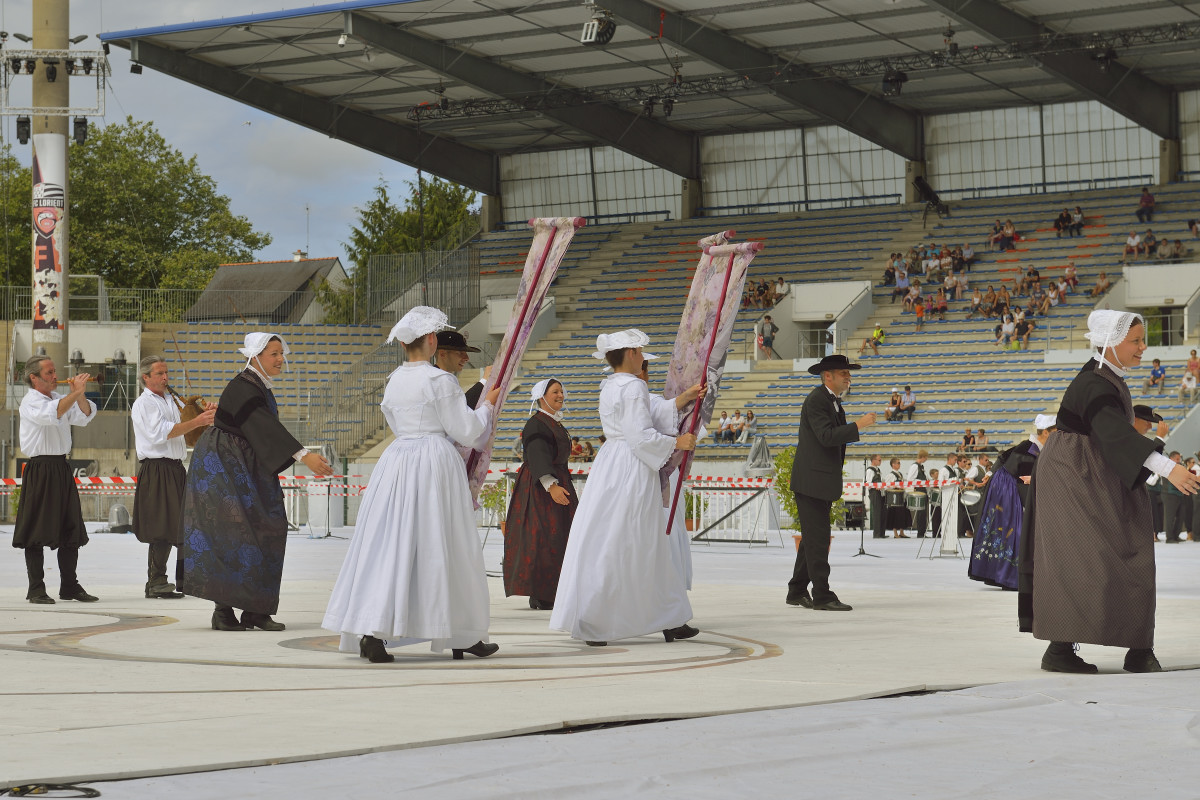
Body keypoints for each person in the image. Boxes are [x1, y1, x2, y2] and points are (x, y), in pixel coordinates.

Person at [1020, 310, 1200, 674]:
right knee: (1079, 558)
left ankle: (1137, 647)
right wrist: (1170, 468)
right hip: (1074, 477)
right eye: (1135, 341)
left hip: (1094, 471)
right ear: (1110, 342)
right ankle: (1061, 649)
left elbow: (1110, 427)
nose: (1142, 347)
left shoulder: (1108, 377)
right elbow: (1112, 433)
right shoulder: (1095, 383)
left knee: (1127, 549)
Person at [323, 307, 501, 663]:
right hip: (433, 462)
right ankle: (461, 632)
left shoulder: (395, 379)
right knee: (447, 545)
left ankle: (372, 631)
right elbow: (466, 431)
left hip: (398, 460)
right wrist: (487, 407)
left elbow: (393, 417)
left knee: (391, 544)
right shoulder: (439, 380)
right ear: (432, 340)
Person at [551, 329, 702, 646]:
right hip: (631, 468)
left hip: (612, 463)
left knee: (627, 540)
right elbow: (640, 436)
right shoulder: (633, 386)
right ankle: (596, 619)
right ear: (632, 353)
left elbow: (643, 413)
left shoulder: (612, 385)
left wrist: (681, 400)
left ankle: (670, 617)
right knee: (628, 540)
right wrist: (678, 441)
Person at [181, 333, 333, 632]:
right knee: (231, 532)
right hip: (223, 464)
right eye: (274, 353)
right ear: (255, 356)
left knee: (267, 527)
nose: (280, 359)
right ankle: (223, 611)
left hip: (247, 463)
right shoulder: (243, 387)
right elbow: (264, 427)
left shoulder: (257, 386)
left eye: (280, 353)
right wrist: (305, 456)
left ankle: (255, 610)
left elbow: (263, 430)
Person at [786, 354, 876, 611]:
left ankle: (796, 590)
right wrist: (857, 425)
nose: (848, 377)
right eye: (844, 373)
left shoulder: (833, 402)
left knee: (812, 538)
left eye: (849, 373)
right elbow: (826, 436)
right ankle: (822, 596)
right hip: (811, 482)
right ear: (828, 376)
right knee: (818, 539)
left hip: (820, 481)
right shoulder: (817, 400)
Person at [13, 356, 98, 605]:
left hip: (61, 466)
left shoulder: (59, 397)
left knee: (70, 527)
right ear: (34, 378)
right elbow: (54, 413)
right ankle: (36, 588)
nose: (54, 375)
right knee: (37, 529)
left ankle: (69, 585)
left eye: (54, 371)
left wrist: (79, 394)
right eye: (49, 372)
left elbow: (85, 416)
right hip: (40, 468)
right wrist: (74, 393)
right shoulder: (30, 402)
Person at [130, 356, 216, 600]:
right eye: (159, 373)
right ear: (146, 377)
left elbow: (188, 425)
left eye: (166, 372)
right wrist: (197, 421)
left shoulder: (171, 399)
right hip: (156, 468)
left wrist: (204, 414)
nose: (165, 377)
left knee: (180, 524)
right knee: (161, 524)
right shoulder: (143, 404)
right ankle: (156, 581)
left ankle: (177, 580)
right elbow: (160, 434)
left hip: (176, 467)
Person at [503, 379, 579, 612]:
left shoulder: (552, 423)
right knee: (543, 537)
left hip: (557, 481)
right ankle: (541, 593)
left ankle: (556, 589)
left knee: (559, 536)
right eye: (555, 392)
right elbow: (537, 455)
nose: (561, 396)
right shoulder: (537, 424)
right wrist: (551, 485)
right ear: (541, 396)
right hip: (541, 488)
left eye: (561, 392)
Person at [968, 414, 1056, 590]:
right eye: (1055, 431)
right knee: (1012, 529)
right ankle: (1008, 576)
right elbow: (1022, 477)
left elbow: (1002, 457)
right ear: (1045, 432)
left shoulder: (1033, 447)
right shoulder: (1030, 448)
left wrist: (989, 474)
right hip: (1008, 489)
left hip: (1007, 487)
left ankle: (1003, 573)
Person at [435, 330, 485, 408]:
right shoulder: (438, 380)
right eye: (460, 353)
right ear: (442, 354)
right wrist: (484, 381)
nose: (466, 358)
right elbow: (461, 410)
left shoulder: (438, 378)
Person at [905, 450, 930, 538]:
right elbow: (910, 479)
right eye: (926, 457)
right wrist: (921, 482)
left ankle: (922, 532)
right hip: (919, 489)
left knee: (923, 513)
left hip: (923, 489)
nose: (926, 459)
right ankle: (920, 533)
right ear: (923, 457)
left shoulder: (921, 467)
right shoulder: (914, 466)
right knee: (921, 512)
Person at [884, 457, 910, 537]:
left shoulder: (900, 474)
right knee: (895, 515)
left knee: (903, 514)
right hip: (894, 499)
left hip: (901, 497)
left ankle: (901, 532)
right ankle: (895, 533)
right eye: (898, 463)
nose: (899, 465)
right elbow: (887, 486)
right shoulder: (890, 475)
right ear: (893, 464)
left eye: (899, 463)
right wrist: (896, 487)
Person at [865, 454, 885, 539]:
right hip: (874, 493)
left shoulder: (878, 470)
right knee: (877, 513)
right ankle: (876, 533)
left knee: (881, 512)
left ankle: (881, 533)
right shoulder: (870, 470)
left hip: (879, 492)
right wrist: (875, 486)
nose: (880, 462)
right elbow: (868, 483)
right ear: (873, 460)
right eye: (879, 460)